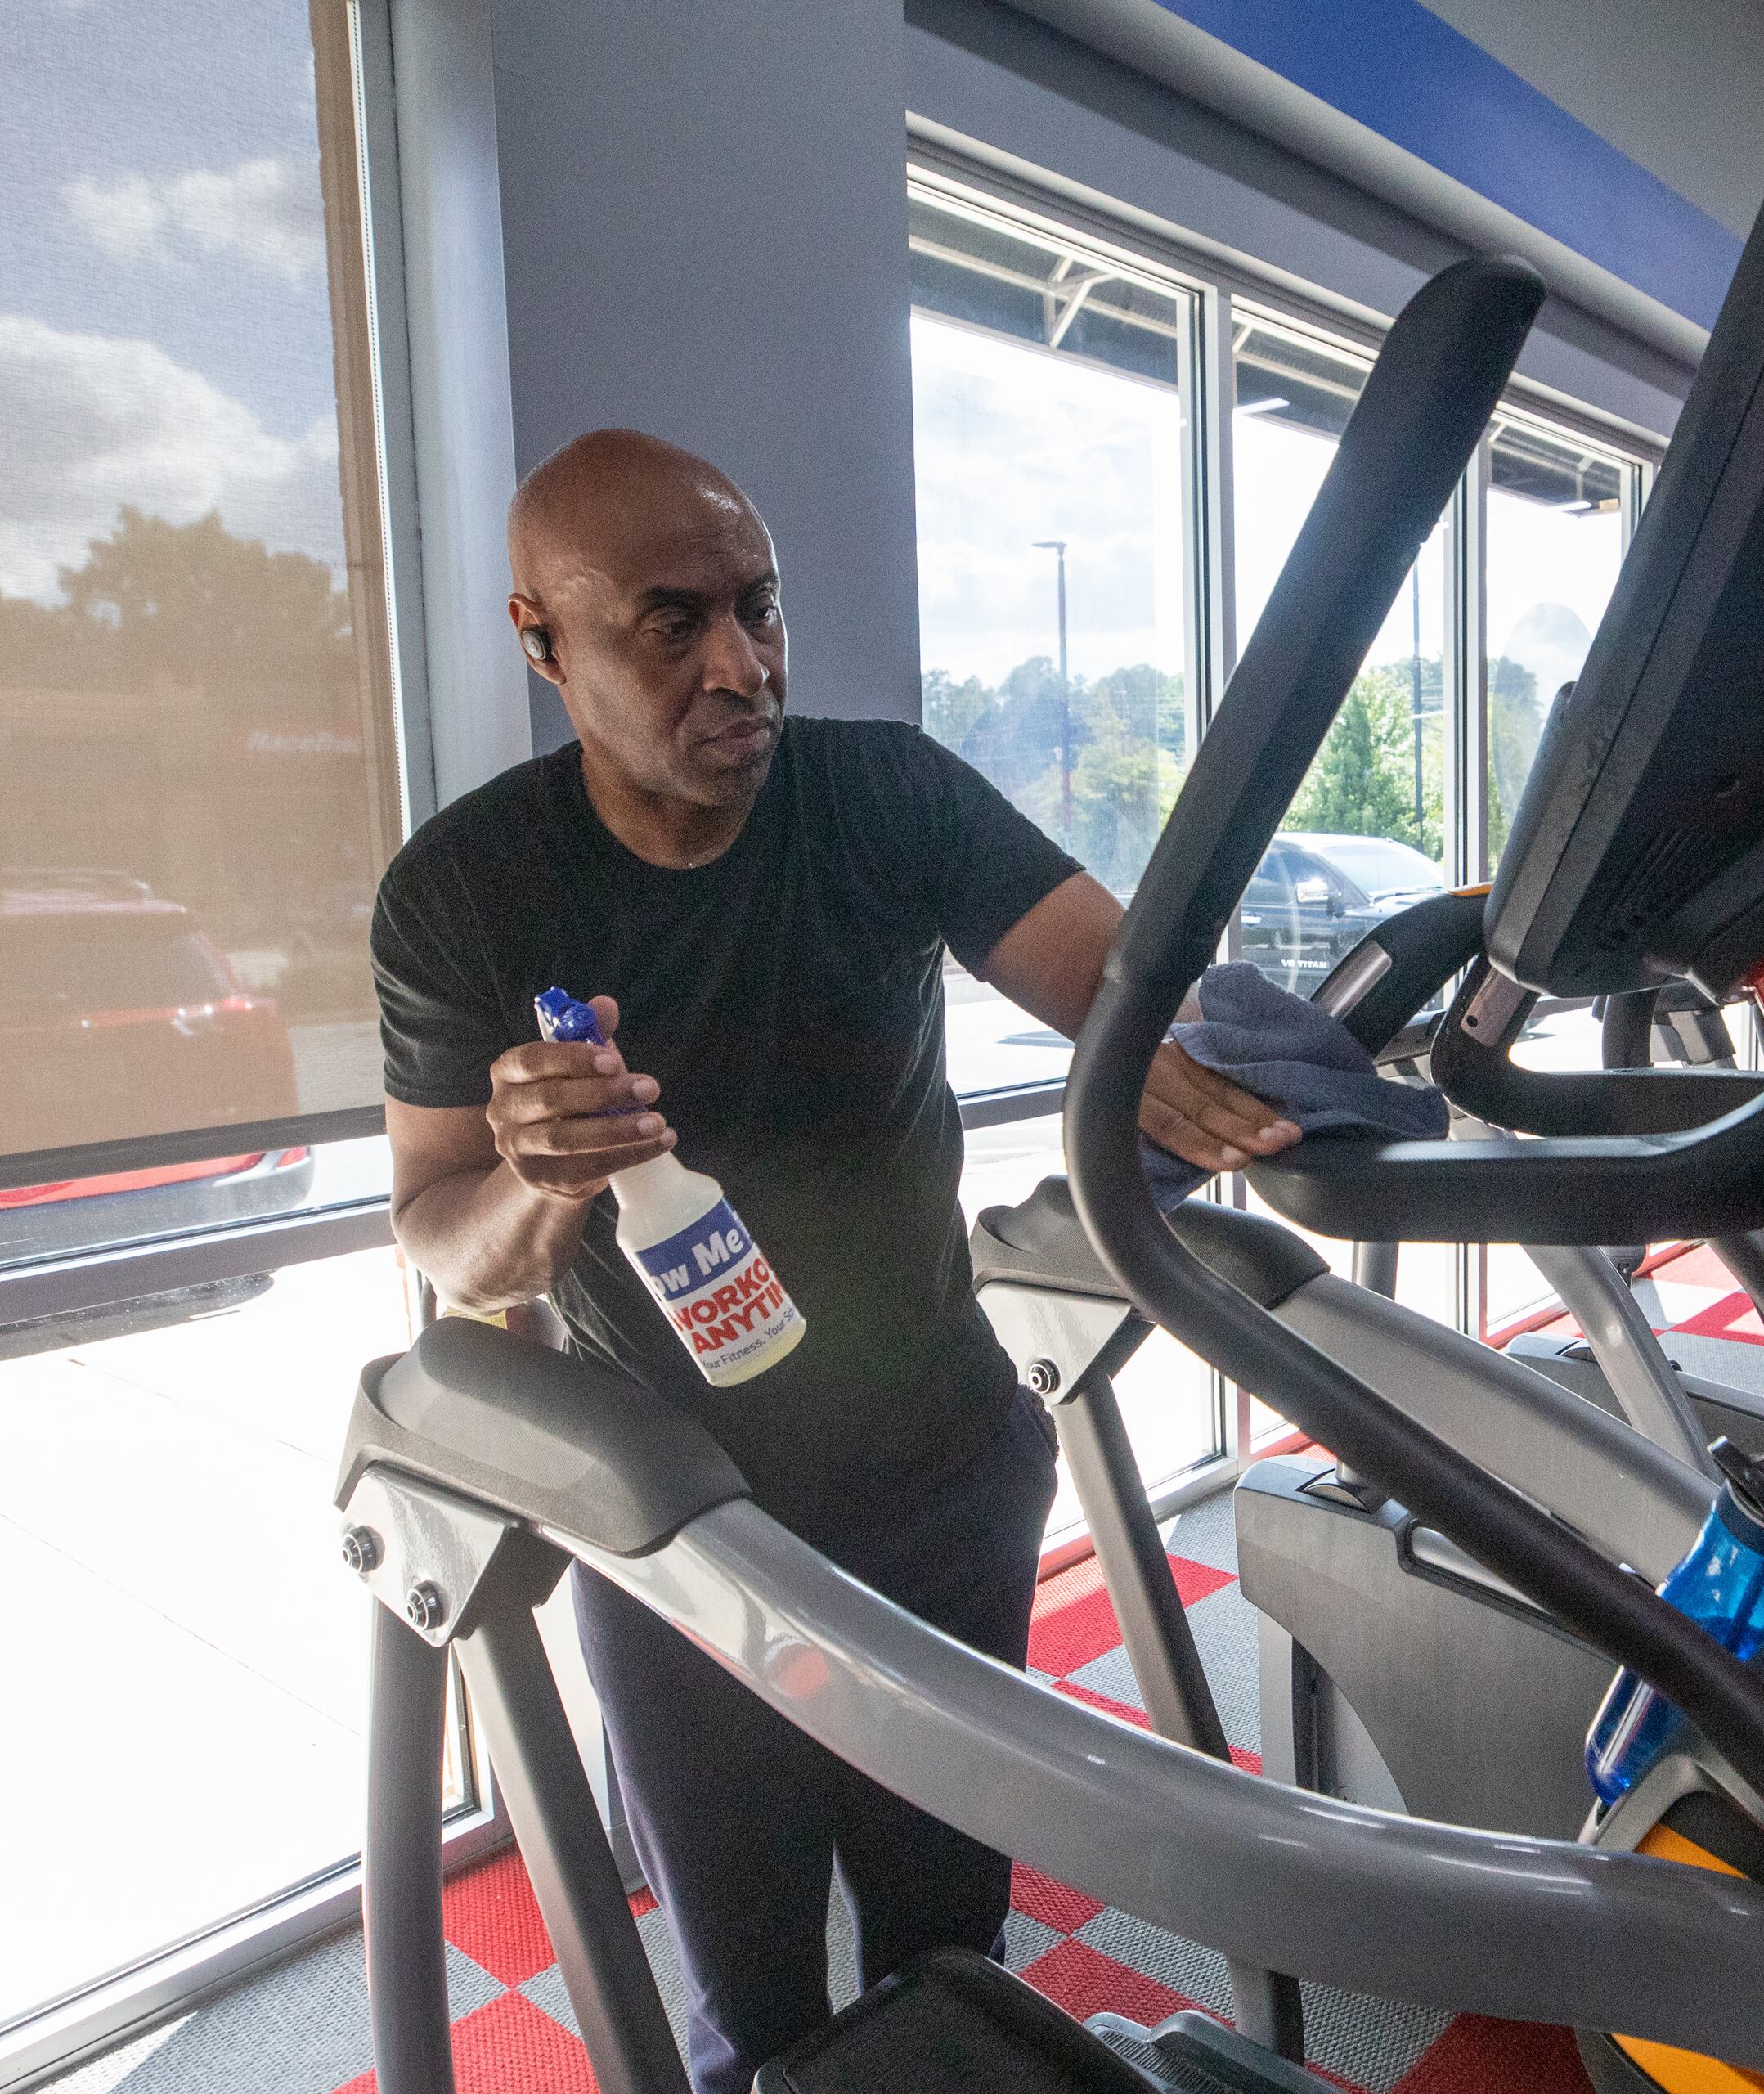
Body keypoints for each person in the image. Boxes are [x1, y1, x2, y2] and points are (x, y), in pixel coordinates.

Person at [370, 429, 1302, 2093]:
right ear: (545, 641)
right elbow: (442, 1232)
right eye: (672, 624)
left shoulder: (884, 796)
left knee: (951, 1944)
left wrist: (1218, 1065)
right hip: (686, 1526)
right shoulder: (464, 890)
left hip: (943, 1472)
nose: (741, 666)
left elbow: (1118, 986)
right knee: (755, 2000)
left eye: (759, 606)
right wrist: (540, 1185)